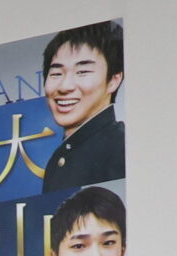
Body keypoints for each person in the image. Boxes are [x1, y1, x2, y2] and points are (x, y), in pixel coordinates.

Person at [37, 22, 125, 196]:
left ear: (113, 80)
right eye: (56, 74)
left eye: (82, 72)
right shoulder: (58, 158)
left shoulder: (120, 147)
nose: (65, 86)